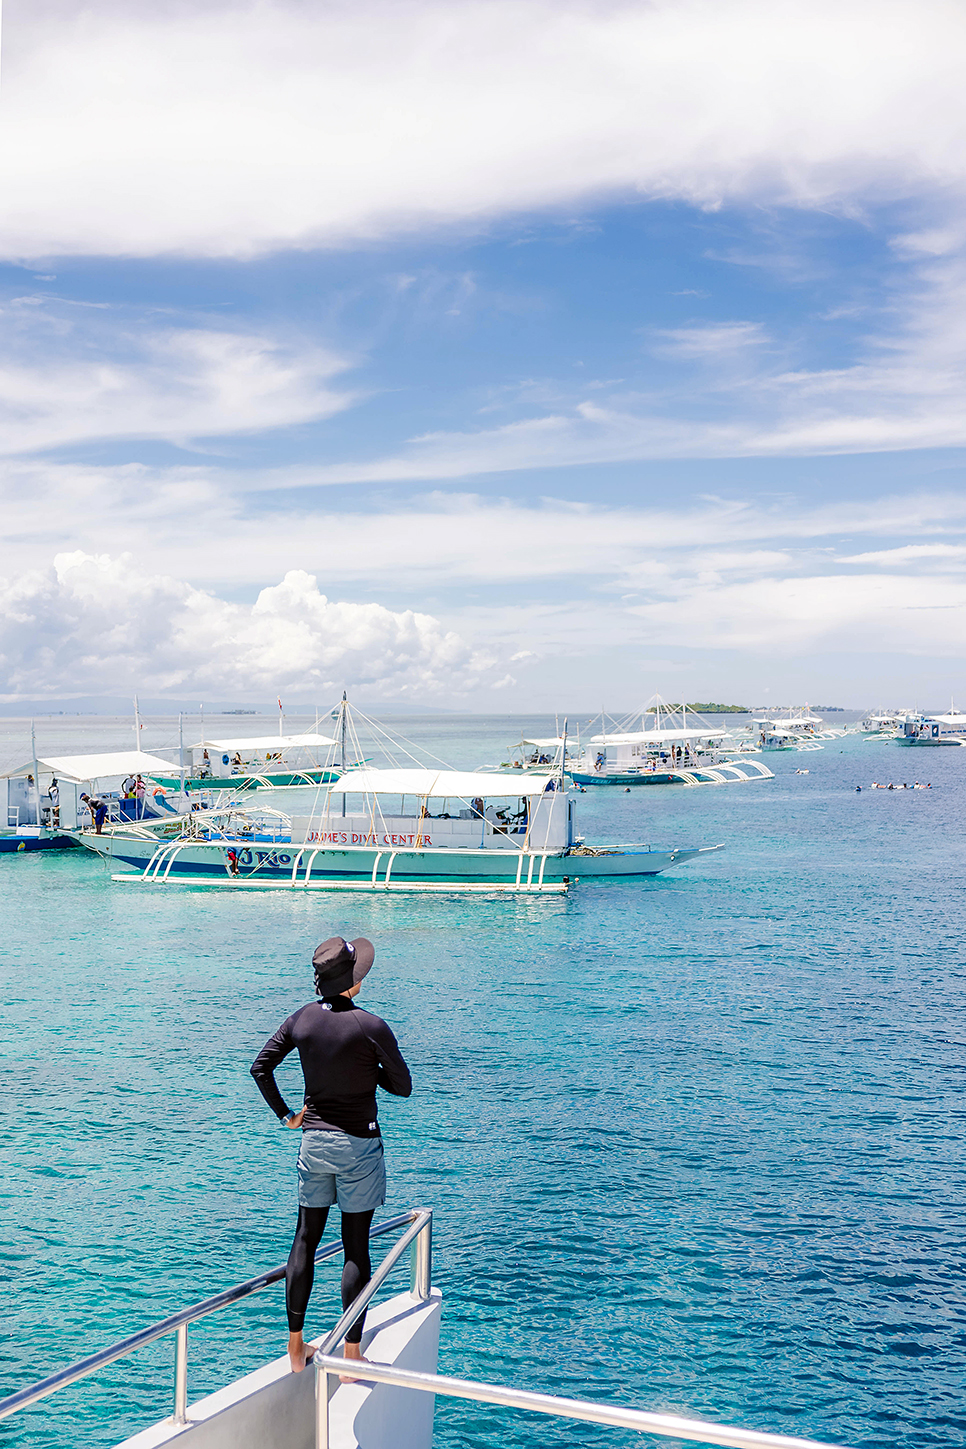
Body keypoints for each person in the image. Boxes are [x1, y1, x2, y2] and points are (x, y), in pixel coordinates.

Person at [250, 937, 412, 1376]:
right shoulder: (371, 1026)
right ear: (352, 979)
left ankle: (296, 1347)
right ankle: (352, 1356)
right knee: (355, 1247)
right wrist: (370, 1068)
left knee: (305, 1239)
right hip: (359, 1145)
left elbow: (260, 1067)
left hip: (313, 1143)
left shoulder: (301, 1019)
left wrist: (288, 1115)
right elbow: (403, 1087)